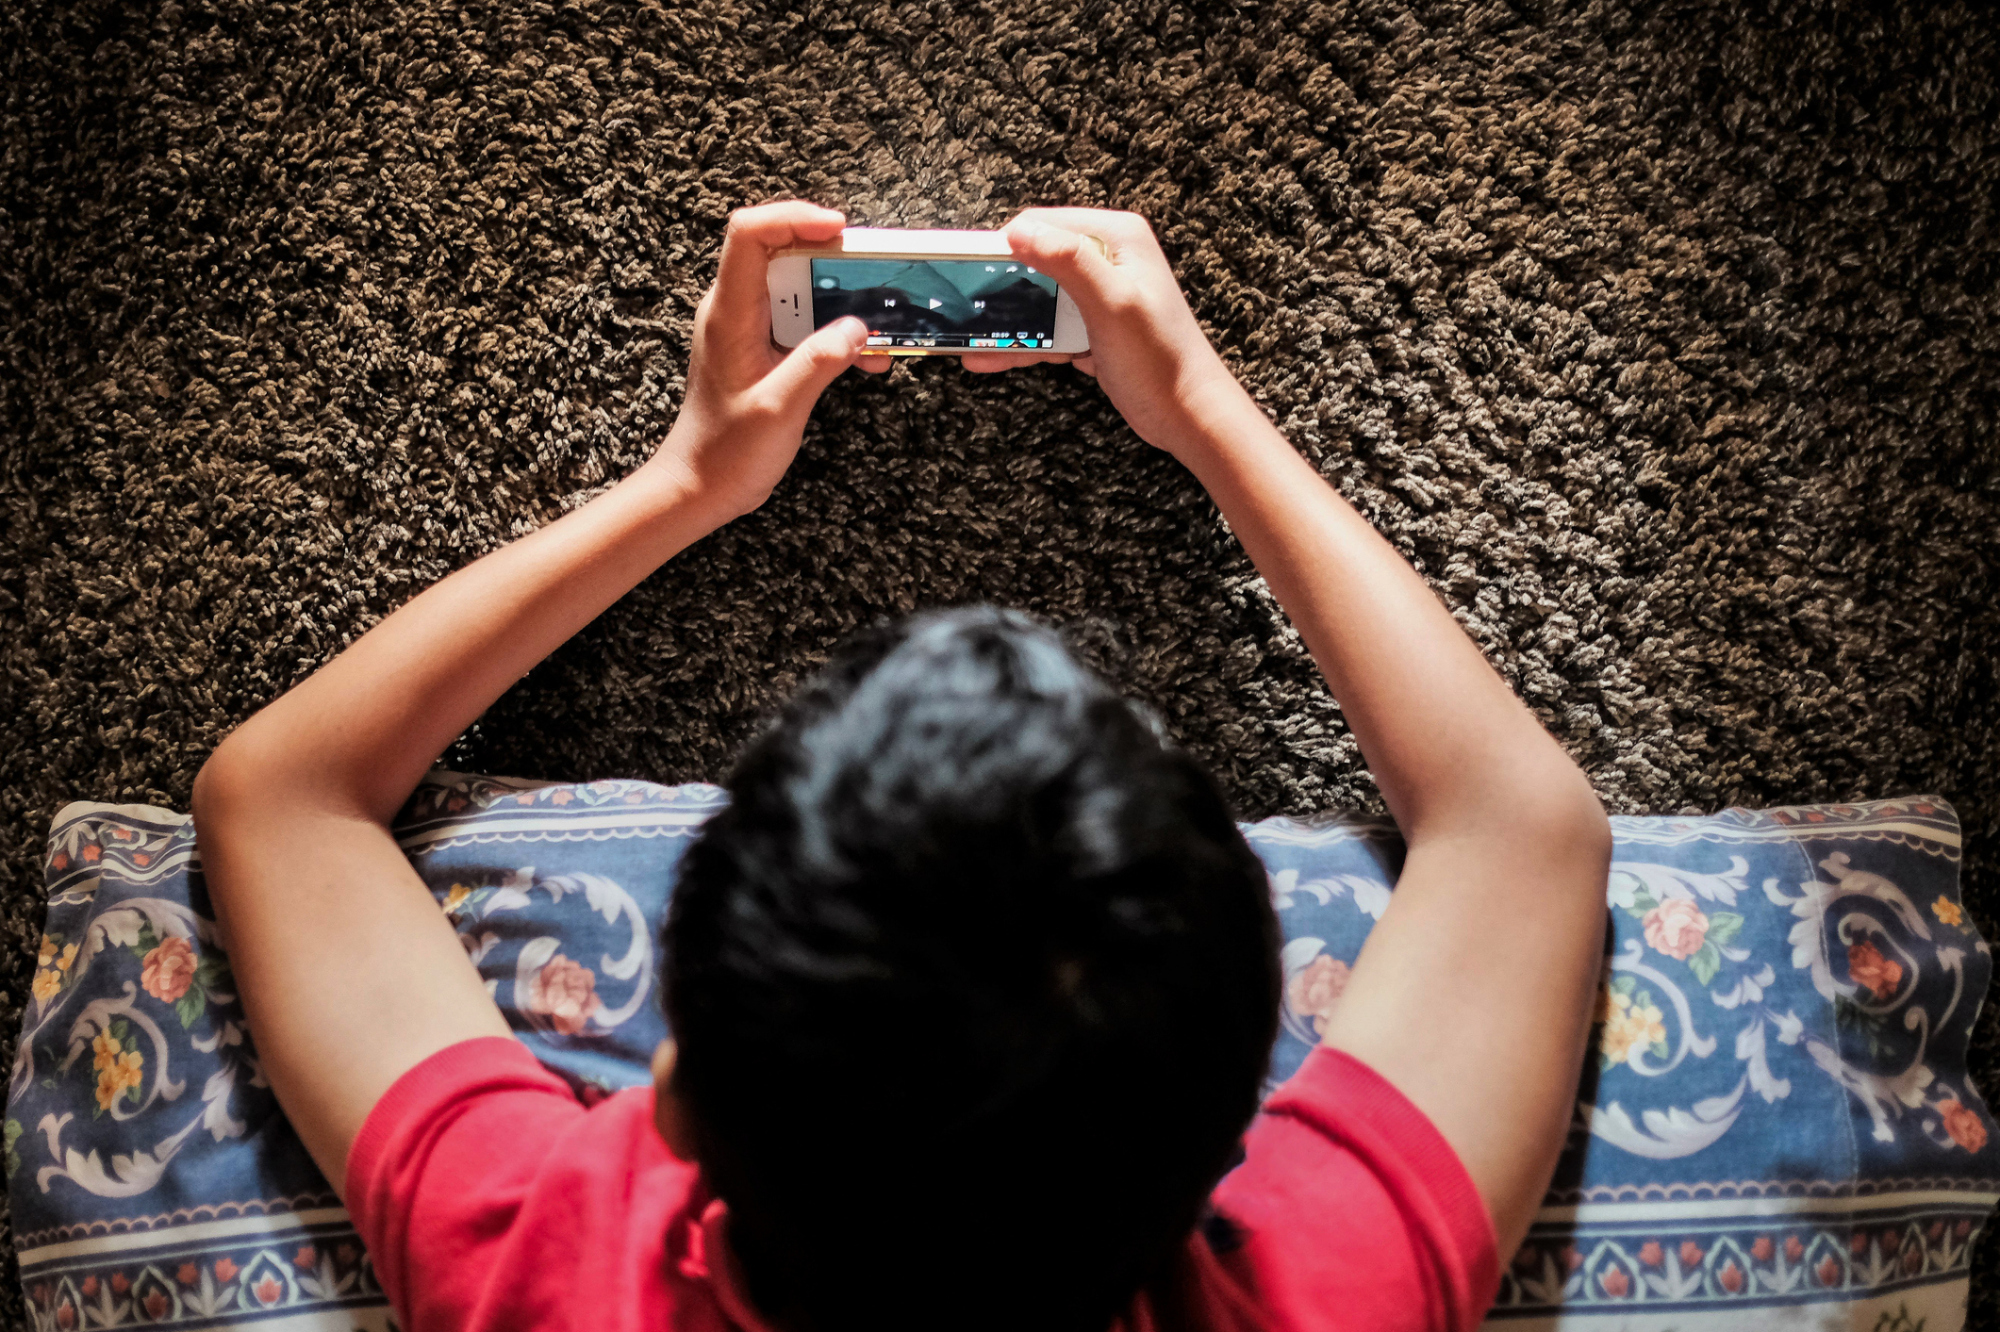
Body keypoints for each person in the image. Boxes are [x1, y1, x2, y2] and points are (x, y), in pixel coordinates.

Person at [191, 202, 1612, 1332]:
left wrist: (685, 486)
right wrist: (1195, 406)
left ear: (671, 1086)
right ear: (1231, 1135)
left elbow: (282, 796)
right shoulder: (1311, 1300)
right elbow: (1521, 827)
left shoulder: (551, 1278)